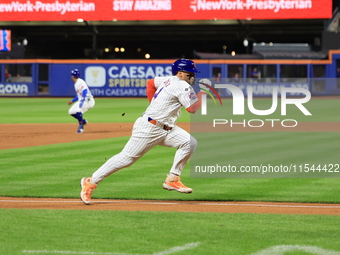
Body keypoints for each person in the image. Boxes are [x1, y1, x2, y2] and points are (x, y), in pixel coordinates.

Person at [80, 59, 208, 205]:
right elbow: (192, 109)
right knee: (126, 159)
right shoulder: (182, 86)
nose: (193, 77)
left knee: (189, 142)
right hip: (149, 128)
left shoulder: (168, 79)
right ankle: (90, 182)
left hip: (166, 128)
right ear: (180, 73)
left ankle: (172, 179)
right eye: (190, 74)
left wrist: (152, 102)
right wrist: (204, 96)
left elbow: (150, 83)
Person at [68, 69, 95, 134]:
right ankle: (83, 121)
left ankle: (81, 126)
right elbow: (78, 95)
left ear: (73, 76)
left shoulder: (80, 82)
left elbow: (85, 90)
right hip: (83, 100)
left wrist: (82, 99)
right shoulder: (76, 84)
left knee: (78, 110)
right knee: (71, 112)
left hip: (88, 101)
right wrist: (72, 100)